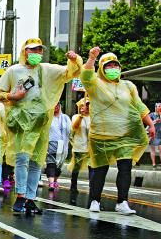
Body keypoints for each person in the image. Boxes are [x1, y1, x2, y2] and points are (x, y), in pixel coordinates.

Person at [0, 38, 82, 215]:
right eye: (32, 50)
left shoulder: (47, 70)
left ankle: (30, 199)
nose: (36, 54)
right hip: (21, 122)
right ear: (25, 51)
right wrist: (13, 96)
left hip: (41, 123)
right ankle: (20, 195)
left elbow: (69, 73)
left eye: (39, 50)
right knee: (22, 159)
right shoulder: (13, 70)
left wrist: (74, 60)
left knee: (36, 162)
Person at [81, 48, 156, 215]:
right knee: (100, 168)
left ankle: (122, 202)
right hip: (101, 135)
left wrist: (150, 124)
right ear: (102, 68)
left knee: (125, 167)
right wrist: (92, 58)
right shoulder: (95, 84)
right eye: (109, 66)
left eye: (116, 65)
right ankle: (95, 200)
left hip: (126, 135)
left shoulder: (128, 86)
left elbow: (139, 106)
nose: (113, 68)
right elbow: (85, 76)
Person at [68, 97, 91, 204]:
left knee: (92, 168)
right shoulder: (75, 117)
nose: (83, 108)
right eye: (82, 106)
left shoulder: (92, 118)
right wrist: (80, 117)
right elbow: (74, 127)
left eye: (85, 106)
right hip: (79, 146)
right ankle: (73, 185)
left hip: (90, 147)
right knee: (76, 167)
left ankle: (93, 187)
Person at [44, 102, 71, 191]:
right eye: (54, 105)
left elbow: (71, 130)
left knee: (59, 164)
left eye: (57, 105)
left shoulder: (65, 118)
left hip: (63, 144)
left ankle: (55, 181)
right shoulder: (48, 117)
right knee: (51, 162)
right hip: (51, 143)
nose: (55, 107)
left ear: (60, 106)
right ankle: (51, 183)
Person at [150, 102, 161, 169]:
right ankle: (153, 163)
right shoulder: (151, 115)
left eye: (160, 106)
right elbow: (148, 122)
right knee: (152, 149)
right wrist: (155, 121)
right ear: (155, 107)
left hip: (160, 133)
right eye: (158, 106)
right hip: (153, 133)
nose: (159, 107)